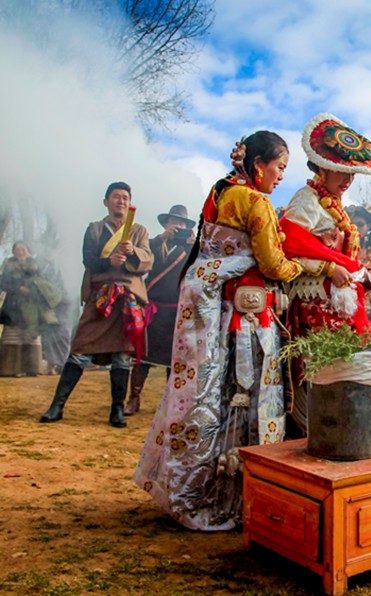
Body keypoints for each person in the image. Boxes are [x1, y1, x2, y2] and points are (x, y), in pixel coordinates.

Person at [134, 131, 302, 531]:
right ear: (258, 164)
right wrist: (301, 266)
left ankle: (191, 485)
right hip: (240, 318)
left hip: (209, 308)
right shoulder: (256, 202)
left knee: (206, 395)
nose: (281, 176)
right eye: (279, 167)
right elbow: (272, 263)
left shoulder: (220, 191)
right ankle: (232, 494)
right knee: (242, 396)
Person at [281, 113, 371, 432]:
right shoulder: (306, 200)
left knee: (345, 369)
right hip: (314, 305)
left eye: (352, 173)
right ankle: (313, 433)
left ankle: (343, 432)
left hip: (339, 305)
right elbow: (287, 245)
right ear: (322, 168)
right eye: (341, 171)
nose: (348, 180)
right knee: (320, 369)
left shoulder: (336, 205)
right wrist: (327, 267)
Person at [39, 182, 153, 427]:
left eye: (125, 197)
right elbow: (88, 259)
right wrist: (109, 261)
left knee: (122, 356)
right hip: (100, 297)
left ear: (129, 203)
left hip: (128, 298)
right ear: (106, 202)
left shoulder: (139, 231)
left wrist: (132, 252)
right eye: (116, 196)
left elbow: (148, 260)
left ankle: (117, 410)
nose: (121, 201)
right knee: (80, 350)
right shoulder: (94, 229)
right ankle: (57, 406)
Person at [125, 205, 196, 416]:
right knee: (142, 357)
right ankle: (134, 398)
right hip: (154, 309)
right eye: (174, 222)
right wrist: (161, 238)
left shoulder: (190, 248)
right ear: (166, 224)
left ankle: (170, 403)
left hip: (178, 311)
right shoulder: (154, 244)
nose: (178, 226)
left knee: (174, 360)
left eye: (182, 223)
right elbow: (140, 259)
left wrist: (195, 246)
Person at [0, 241, 62, 376]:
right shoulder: (8, 264)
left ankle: (32, 369)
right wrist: (18, 288)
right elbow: (3, 282)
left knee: (31, 336)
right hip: (13, 305)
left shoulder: (35, 264)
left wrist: (31, 289)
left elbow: (43, 282)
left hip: (32, 304)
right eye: (17, 250)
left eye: (23, 250)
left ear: (28, 251)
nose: (20, 252)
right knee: (12, 336)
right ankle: (10, 369)